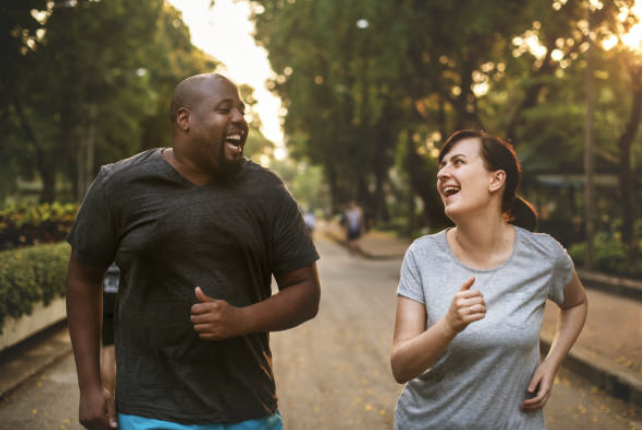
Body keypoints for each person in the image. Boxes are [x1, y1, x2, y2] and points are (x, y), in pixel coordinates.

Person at [66, 72, 321, 430]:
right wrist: (90, 386)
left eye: (241, 111)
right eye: (224, 109)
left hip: (248, 411)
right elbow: (82, 279)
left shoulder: (267, 192)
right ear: (184, 119)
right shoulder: (119, 185)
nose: (239, 119)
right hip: (150, 413)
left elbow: (306, 291)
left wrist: (240, 319)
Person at [390, 130, 587, 429]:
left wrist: (551, 364)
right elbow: (400, 367)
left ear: (496, 180)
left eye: (457, 162)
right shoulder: (422, 255)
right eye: (441, 165)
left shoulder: (543, 255)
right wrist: (448, 325)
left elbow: (577, 303)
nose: (443, 173)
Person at [100, 262, 119, 397]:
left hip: (106, 300)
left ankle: (108, 396)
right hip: (127, 300)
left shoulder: (105, 242)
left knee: (108, 350)